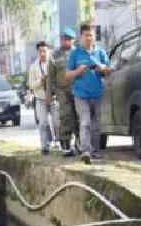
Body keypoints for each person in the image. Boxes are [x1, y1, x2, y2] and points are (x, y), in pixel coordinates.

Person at [65, 24, 112, 161]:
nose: (89, 38)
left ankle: (95, 151)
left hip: (97, 93)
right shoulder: (75, 54)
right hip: (81, 94)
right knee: (85, 122)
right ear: (81, 37)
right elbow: (67, 75)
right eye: (86, 35)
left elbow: (109, 70)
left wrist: (103, 69)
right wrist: (78, 71)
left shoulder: (101, 52)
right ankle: (85, 151)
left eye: (91, 35)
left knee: (97, 125)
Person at [48, 28, 80, 155]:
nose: (65, 41)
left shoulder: (78, 53)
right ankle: (66, 145)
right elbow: (51, 76)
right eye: (63, 39)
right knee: (66, 116)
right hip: (62, 90)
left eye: (68, 39)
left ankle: (79, 143)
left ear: (73, 40)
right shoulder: (55, 55)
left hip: (77, 88)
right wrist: (50, 93)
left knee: (78, 116)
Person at [27, 41, 56, 154]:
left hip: (54, 98)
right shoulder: (33, 67)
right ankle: (45, 146)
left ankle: (61, 142)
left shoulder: (54, 64)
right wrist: (41, 80)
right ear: (37, 52)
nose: (42, 53)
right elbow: (30, 85)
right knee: (43, 123)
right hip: (40, 99)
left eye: (44, 51)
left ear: (48, 51)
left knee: (57, 122)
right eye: (40, 51)